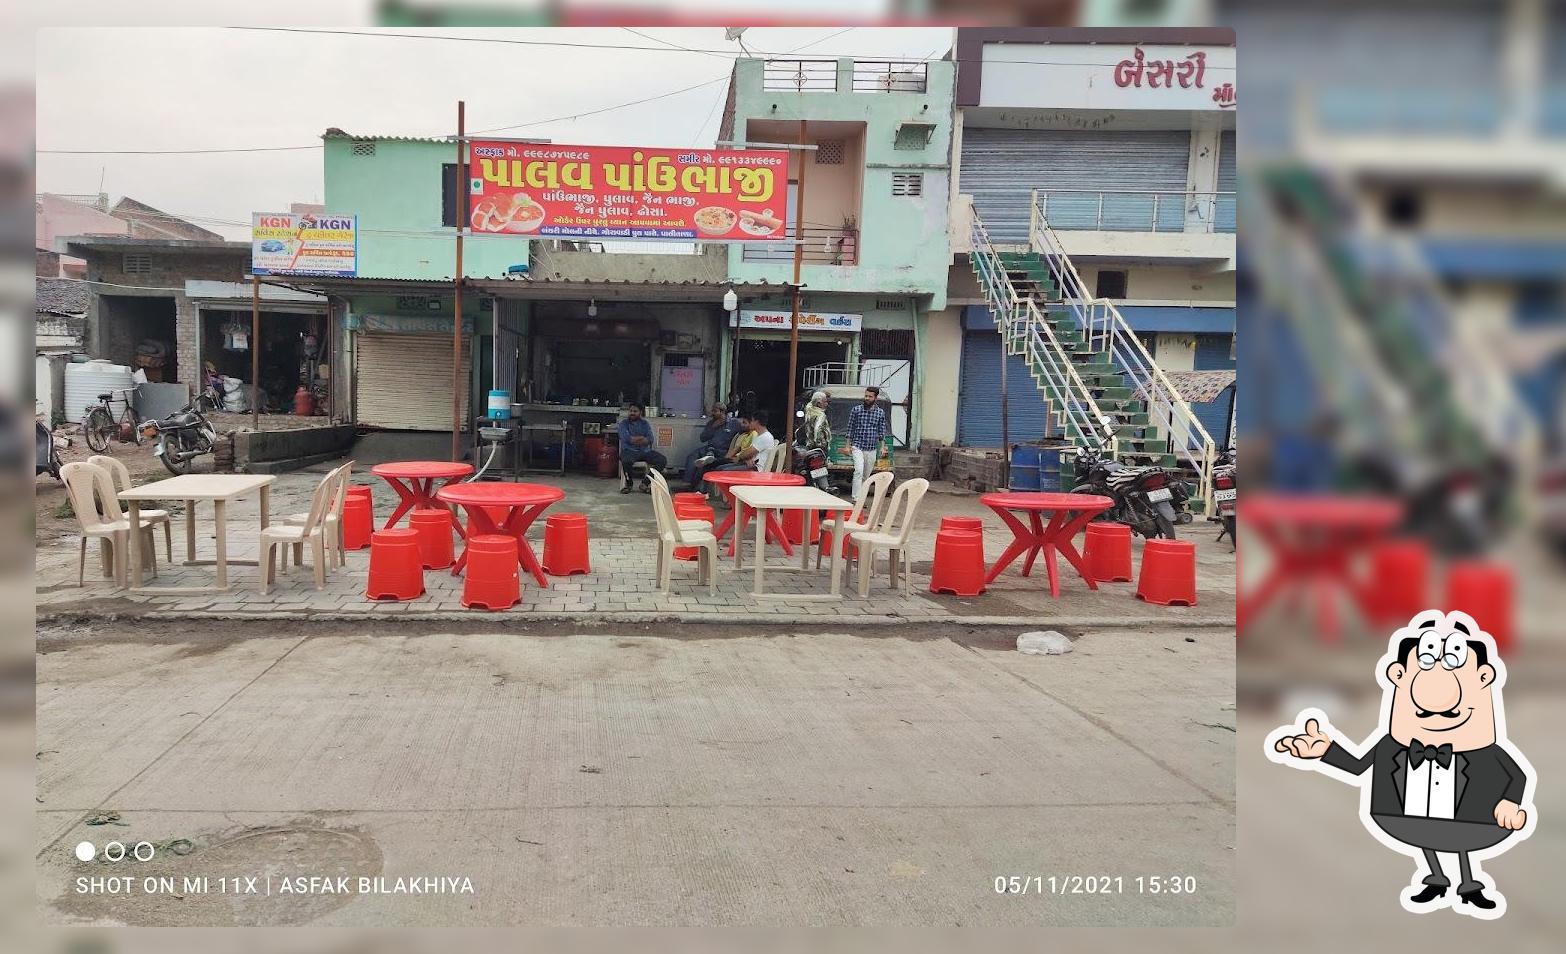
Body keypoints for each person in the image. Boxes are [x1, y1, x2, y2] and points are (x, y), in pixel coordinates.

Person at [1270, 611, 1535, 918]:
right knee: (1427, 838)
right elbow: (1358, 766)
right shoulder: (1392, 745)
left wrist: (1509, 803)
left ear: (1484, 678)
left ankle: (1469, 885)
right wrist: (1325, 751)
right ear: (1398, 676)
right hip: (1406, 817)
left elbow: (1516, 775)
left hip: (1472, 821)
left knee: (1459, 843)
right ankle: (1436, 878)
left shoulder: (1486, 753)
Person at [846, 386, 890, 500]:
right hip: (857, 446)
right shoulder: (856, 410)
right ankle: (856, 499)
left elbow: (882, 431)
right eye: (866, 396)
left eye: (870, 396)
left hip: (871, 448)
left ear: (875, 398)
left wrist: (883, 447)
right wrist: (847, 446)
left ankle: (862, 498)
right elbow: (850, 428)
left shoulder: (880, 413)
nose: (867, 398)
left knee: (866, 476)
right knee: (858, 471)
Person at [684, 403, 741, 489]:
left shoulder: (734, 423)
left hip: (723, 451)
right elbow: (702, 438)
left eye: (715, 411)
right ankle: (687, 483)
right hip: (709, 448)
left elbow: (744, 432)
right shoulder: (711, 423)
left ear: (722, 412)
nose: (712, 413)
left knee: (704, 464)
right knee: (691, 456)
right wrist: (713, 427)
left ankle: (695, 487)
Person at [616, 403, 667, 494]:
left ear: (640, 412)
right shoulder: (624, 424)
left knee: (662, 460)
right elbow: (626, 438)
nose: (632, 413)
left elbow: (650, 439)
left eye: (635, 411)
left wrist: (634, 439)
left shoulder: (645, 424)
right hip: (629, 451)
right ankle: (629, 484)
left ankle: (645, 483)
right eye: (631, 411)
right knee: (626, 461)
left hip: (645, 451)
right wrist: (642, 438)